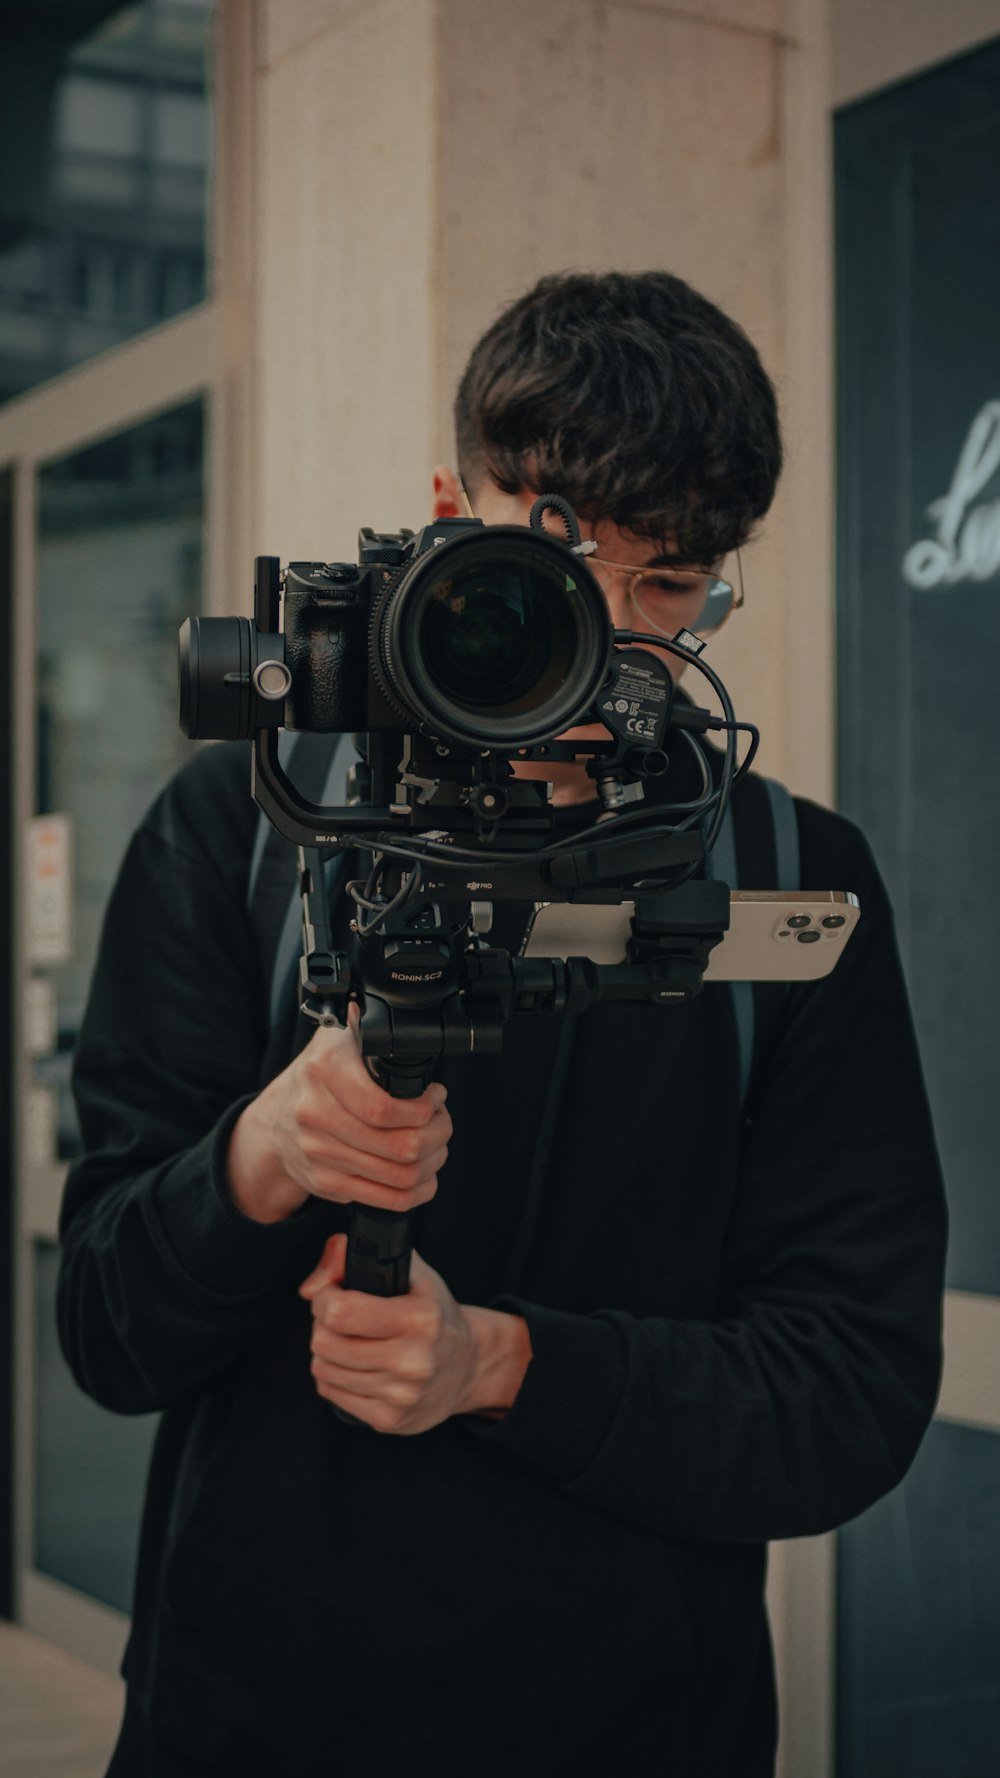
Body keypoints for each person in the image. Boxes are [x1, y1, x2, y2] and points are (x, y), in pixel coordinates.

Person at [58, 271, 947, 1778]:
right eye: (552, 558)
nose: (602, 641)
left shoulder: (792, 881)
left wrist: (505, 1363)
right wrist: (258, 1159)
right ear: (440, 510)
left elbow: (850, 1391)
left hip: (638, 1727)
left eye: (667, 586)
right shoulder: (250, 827)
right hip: (247, 1715)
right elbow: (104, 1327)